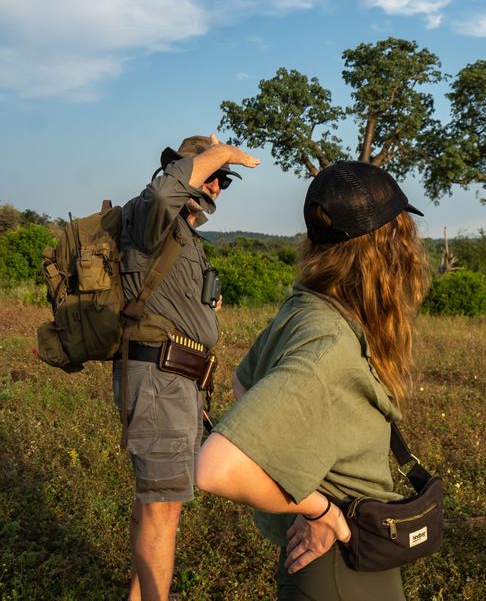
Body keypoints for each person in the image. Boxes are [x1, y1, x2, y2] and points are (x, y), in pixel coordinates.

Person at [195, 160, 430, 600]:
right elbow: (215, 468)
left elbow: (244, 382)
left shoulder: (307, 305)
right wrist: (321, 508)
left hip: (332, 560)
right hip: (342, 560)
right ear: (387, 246)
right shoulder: (329, 342)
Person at [116, 134, 259, 600]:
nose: (219, 186)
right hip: (160, 377)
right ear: (187, 170)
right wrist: (227, 152)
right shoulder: (151, 211)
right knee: (163, 510)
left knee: (156, 504)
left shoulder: (178, 232)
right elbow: (163, 192)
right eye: (214, 176)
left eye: (225, 180)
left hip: (176, 379)